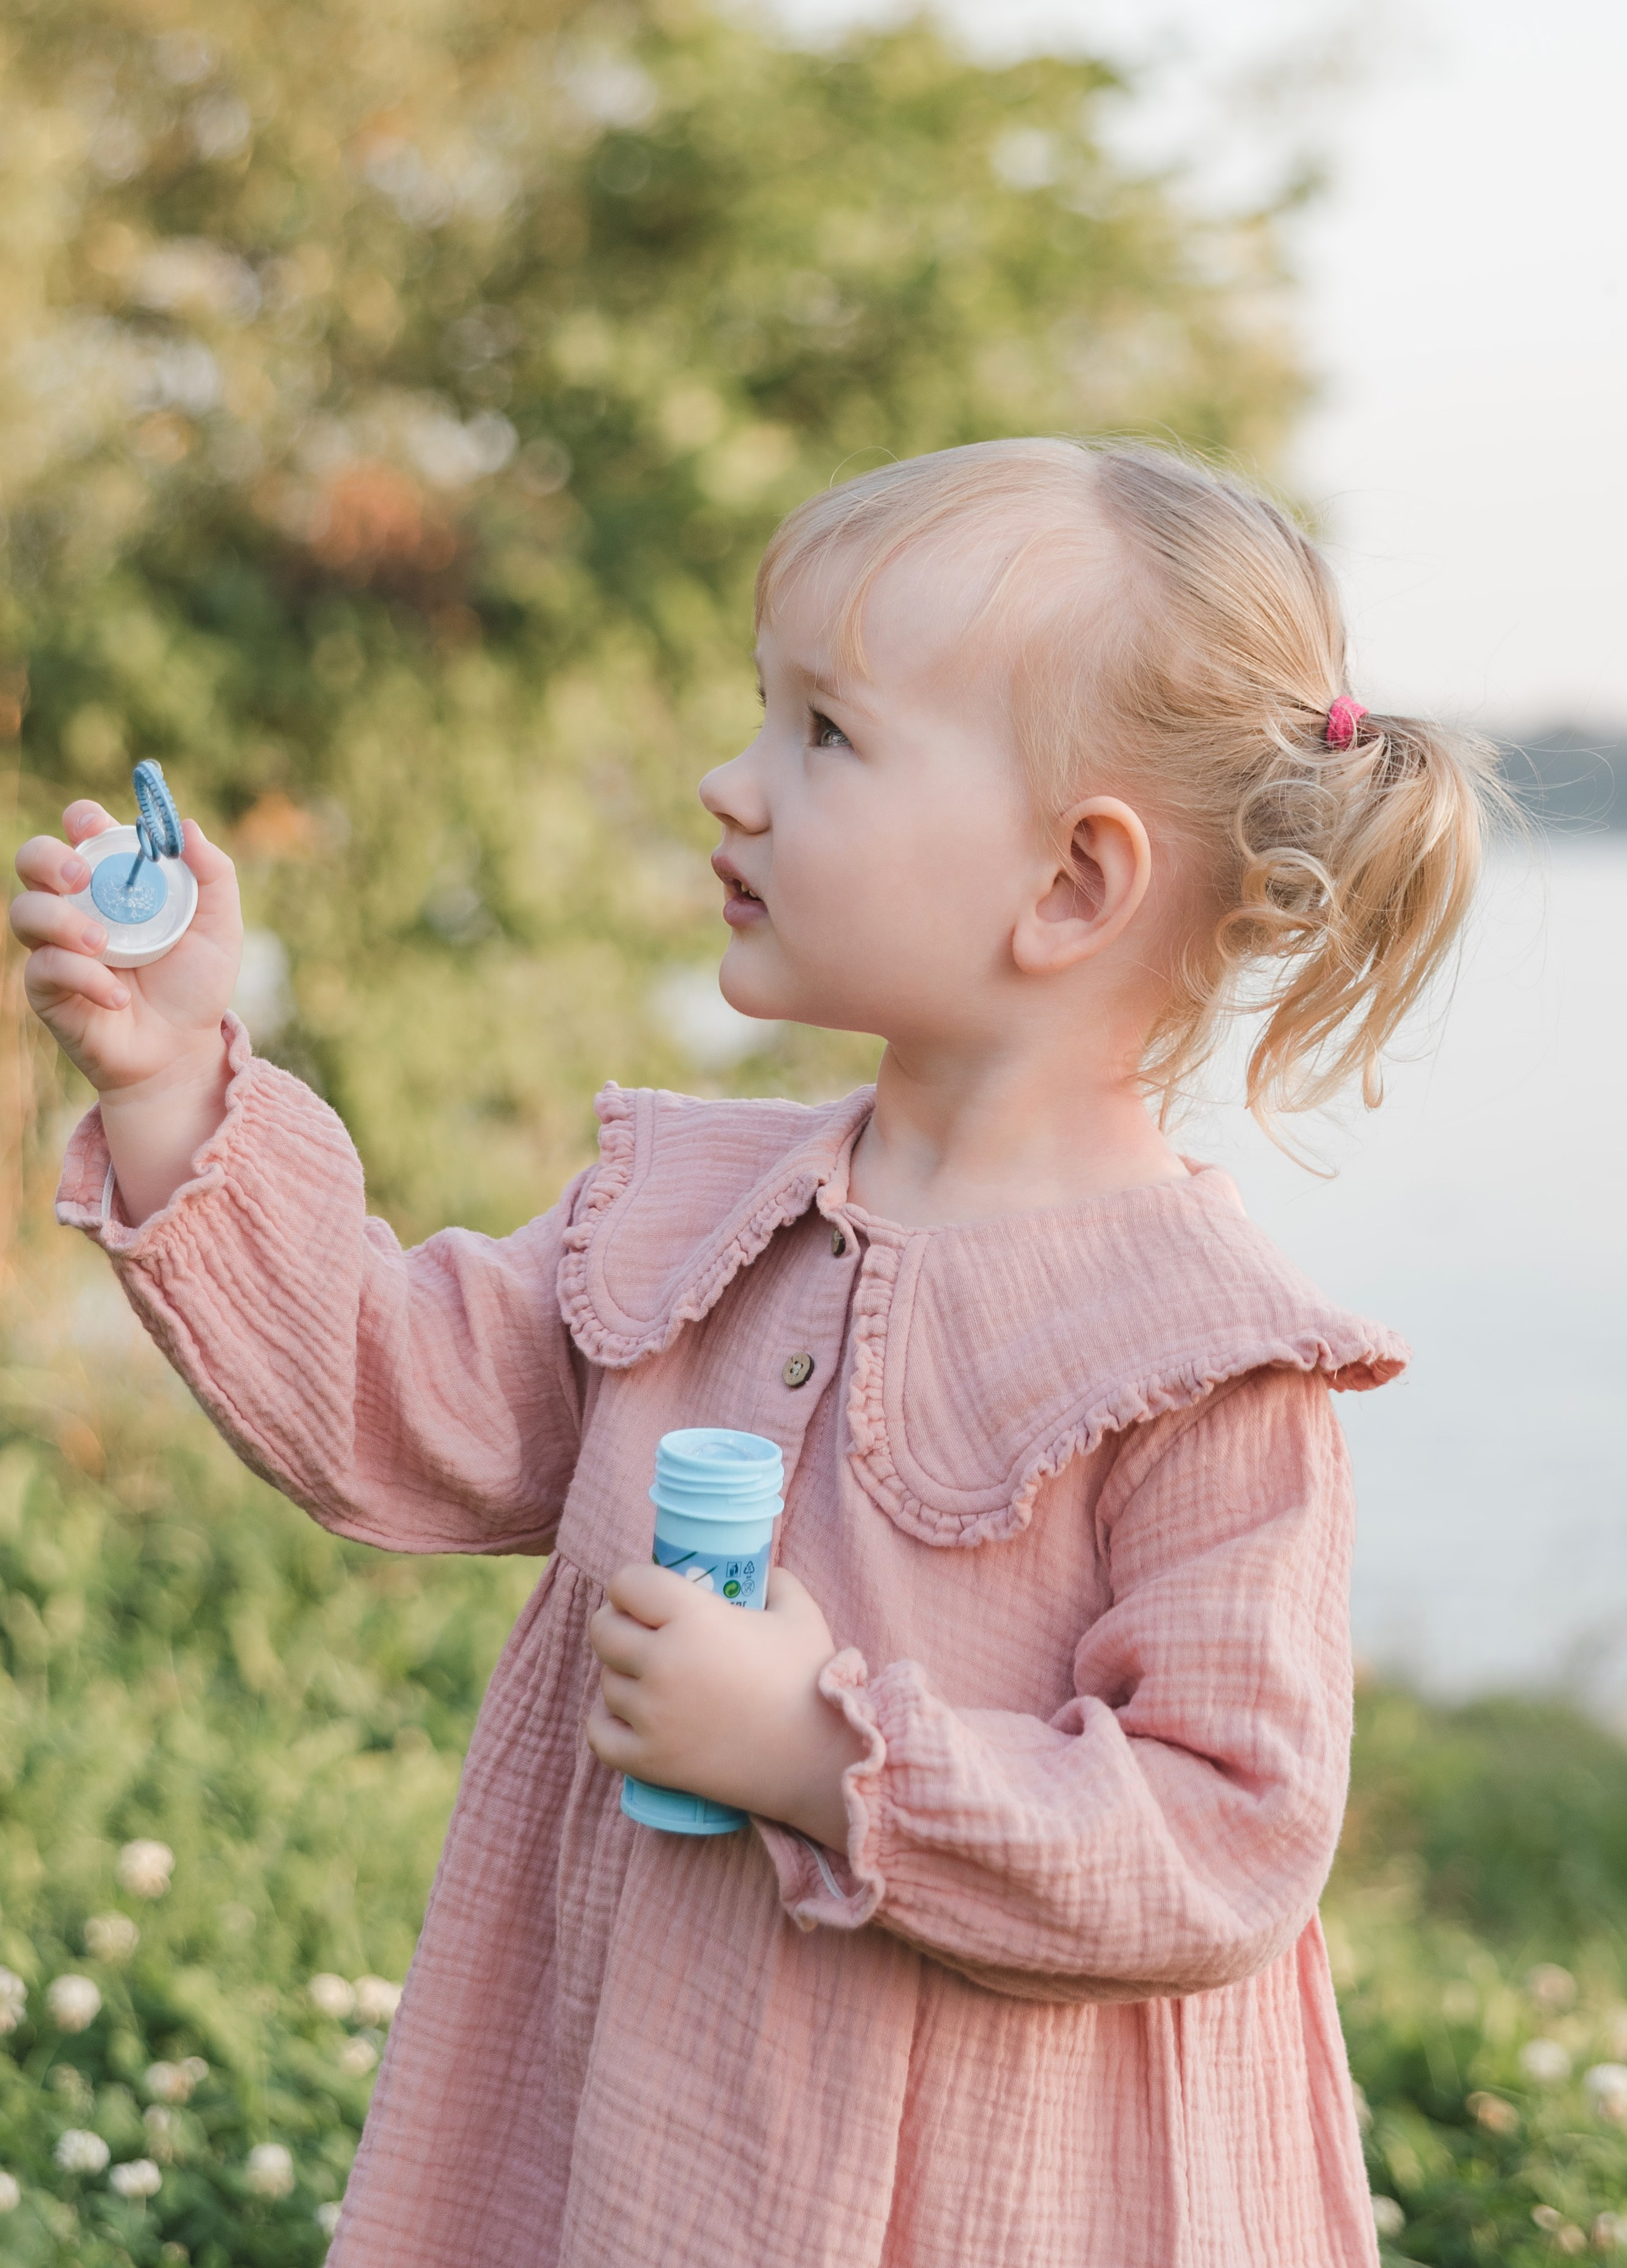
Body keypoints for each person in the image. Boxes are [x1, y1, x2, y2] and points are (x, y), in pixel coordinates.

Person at [10, 439, 1497, 2268]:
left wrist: (823, 1750)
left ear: (1070, 883)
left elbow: (1232, 1831)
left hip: (995, 2197)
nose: (732, 781)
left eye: (826, 734)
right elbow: (389, 1407)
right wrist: (173, 1086)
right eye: (760, 712)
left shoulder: (1202, 1359)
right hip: (636, 2137)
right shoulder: (690, 1216)